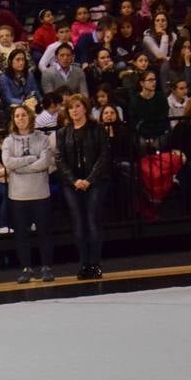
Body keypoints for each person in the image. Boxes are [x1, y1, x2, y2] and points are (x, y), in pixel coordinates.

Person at [54, 94, 110, 279]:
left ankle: (95, 263)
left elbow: (103, 155)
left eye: (77, 106)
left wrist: (89, 179)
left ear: (85, 108)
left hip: (95, 181)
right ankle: (84, 263)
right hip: (72, 184)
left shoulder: (97, 129)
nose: (74, 110)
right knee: (78, 223)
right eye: (71, 108)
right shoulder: (63, 132)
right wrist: (74, 181)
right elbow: (60, 159)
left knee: (92, 220)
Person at [0, 106, 55, 283]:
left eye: (23, 115)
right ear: (13, 119)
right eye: (17, 116)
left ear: (30, 117)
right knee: (21, 234)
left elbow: (45, 162)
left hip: (40, 192)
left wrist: (21, 167)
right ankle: (26, 268)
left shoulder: (43, 139)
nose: (20, 118)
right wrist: (31, 159)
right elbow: (7, 163)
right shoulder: (8, 141)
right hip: (18, 194)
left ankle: (46, 267)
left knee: (44, 232)